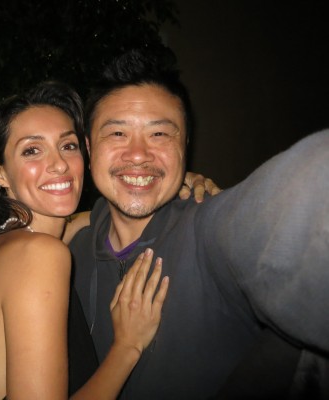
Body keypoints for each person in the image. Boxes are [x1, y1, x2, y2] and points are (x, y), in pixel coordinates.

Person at [70, 48, 329, 399]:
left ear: (184, 146)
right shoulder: (69, 253)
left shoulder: (207, 230)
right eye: (117, 133)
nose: (138, 154)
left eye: (160, 135)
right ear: (88, 148)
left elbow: (304, 199)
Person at [0, 80, 216, 399]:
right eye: (32, 150)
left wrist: (159, 182)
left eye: (68, 146)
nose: (59, 164)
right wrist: (128, 346)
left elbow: (90, 219)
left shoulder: (2, 250)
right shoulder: (39, 254)